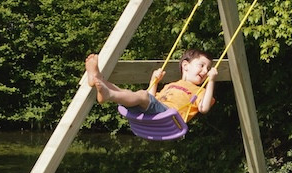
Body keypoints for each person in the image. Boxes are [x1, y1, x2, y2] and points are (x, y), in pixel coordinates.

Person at [85, 49, 217, 127]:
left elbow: (204, 108)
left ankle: (109, 94)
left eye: (208, 68)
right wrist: (154, 81)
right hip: (155, 112)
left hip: (169, 117)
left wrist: (211, 81)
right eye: (201, 65)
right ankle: (98, 79)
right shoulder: (171, 85)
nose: (205, 71)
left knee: (142, 95)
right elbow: (151, 99)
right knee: (130, 94)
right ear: (185, 65)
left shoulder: (201, 91)